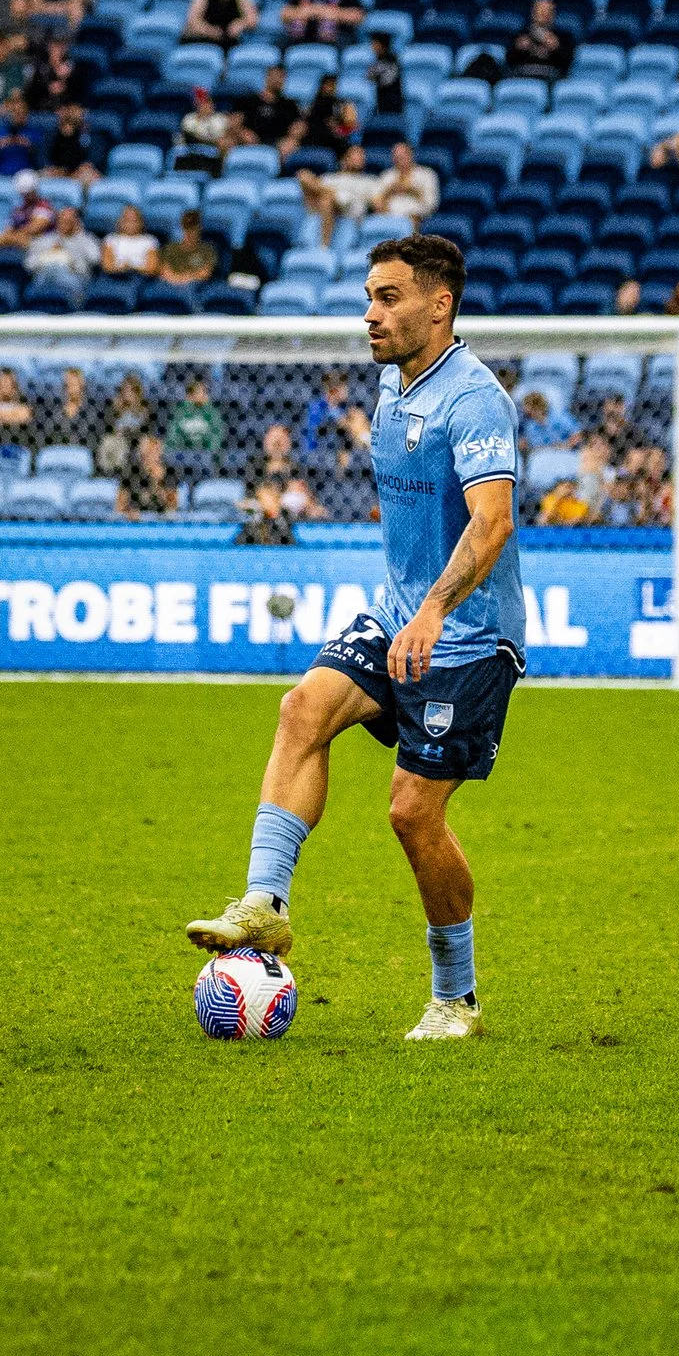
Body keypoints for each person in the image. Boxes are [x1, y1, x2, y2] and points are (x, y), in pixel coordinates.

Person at [184, 234, 519, 1043]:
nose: (372, 313)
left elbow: (493, 520)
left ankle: (456, 998)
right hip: (398, 615)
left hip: (469, 639)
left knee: (412, 814)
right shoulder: (389, 389)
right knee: (302, 708)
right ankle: (265, 904)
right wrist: (407, 606)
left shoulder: (474, 400)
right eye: (370, 296)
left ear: (440, 304)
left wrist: (434, 609)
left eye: (391, 297)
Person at [300, 142, 381, 246]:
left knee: (326, 199)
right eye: (356, 154)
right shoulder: (330, 178)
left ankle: (324, 246)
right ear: (344, 159)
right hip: (330, 205)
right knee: (303, 175)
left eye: (362, 155)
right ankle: (320, 245)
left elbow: (378, 203)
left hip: (351, 208)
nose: (361, 158)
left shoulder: (370, 181)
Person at [371, 140, 439, 225]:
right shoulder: (386, 176)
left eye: (402, 156)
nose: (399, 160)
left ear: (411, 155)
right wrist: (389, 191)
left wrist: (412, 190)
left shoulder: (427, 174)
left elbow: (431, 204)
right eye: (396, 157)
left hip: (416, 218)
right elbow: (377, 204)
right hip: (388, 219)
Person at [505, 0, 571, 79]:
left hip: (550, 77)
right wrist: (518, 48)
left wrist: (556, 48)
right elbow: (509, 60)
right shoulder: (520, 34)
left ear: (553, 14)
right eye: (540, 10)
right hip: (523, 75)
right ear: (533, 13)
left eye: (547, 10)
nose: (543, 13)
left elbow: (567, 64)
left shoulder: (563, 36)